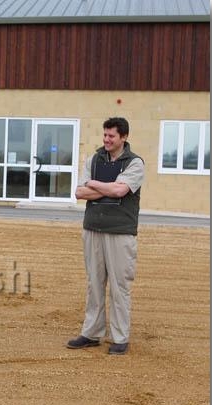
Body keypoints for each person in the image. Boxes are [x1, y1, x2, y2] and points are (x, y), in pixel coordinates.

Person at [67, 117, 144, 355]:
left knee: (120, 287)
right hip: (92, 230)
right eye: (105, 135)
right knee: (94, 284)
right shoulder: (94, 159)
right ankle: (91, 333)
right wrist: (107, 187)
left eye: (111, 136)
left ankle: (120, 338)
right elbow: (80, 192)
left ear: (124, 137)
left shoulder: (135, 163)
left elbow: (120, 190)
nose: (106, 140)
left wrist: (94, 184)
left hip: (120, 233)